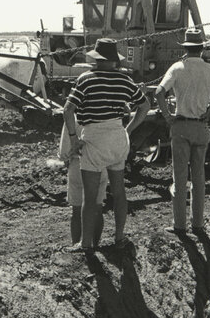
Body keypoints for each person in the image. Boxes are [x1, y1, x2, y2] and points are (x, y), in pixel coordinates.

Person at [63, 38, 150, 251]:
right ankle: (119, 237)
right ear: (114, 61)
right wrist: (128, 130)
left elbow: (68, 110)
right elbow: (144, 106)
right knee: (119, 191)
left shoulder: (86, 79)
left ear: (96, 58)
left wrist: (74, 138)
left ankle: (85, 244)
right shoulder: (124, 80)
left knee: (90, 197)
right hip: (118, 137)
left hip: (94, 137)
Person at [154, 29, 210, 233]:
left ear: (185, 48)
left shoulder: (177, 68)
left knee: (180, 177)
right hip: (201, 126)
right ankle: (198, 223)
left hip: (181, 126)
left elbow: (159, 92)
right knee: (199, 176)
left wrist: (168, 116)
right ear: (202, 48)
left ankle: (179, 225)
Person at [58, 120, 108, 246]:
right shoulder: (105, 114)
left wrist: (66, 158)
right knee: (97, 208)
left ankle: (76, 246)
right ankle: (95, 244)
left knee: (77, 210)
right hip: (100, 163)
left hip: (78, 163)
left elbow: (64, 150)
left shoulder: (73, 115)